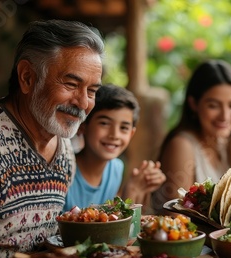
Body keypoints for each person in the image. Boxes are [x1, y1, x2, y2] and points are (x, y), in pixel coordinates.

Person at [0, 19, 105, 258]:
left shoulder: (64, 148)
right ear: (27, 77)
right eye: (71, 84)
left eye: (91, 91)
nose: (83, 102)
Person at [151, 59, 231, 212]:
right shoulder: (182, 145)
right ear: (194, 104)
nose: (225, 116)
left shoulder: (224, 141)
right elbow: (176, 216)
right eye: (213, 105)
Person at [63, 84, 166, 212]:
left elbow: (107, 222)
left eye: (123, 128)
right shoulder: (63, 172)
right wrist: (131, 192)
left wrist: (137, 190)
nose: (114, 135)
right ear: (82, 126)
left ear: (131, 134)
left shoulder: (116, 168)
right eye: (104, 123)